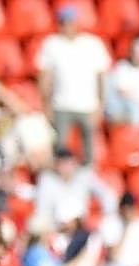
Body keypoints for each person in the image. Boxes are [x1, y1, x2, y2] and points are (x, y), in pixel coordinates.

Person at [37, 4, 112, 166]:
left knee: (89, 151)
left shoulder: (92, 44)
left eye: (70, 22)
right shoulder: (52, 44)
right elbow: (45, 77)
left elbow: (101, 77)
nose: (67, 26)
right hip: (61, 105)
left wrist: (100, 105)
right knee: (60, 149)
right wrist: (46, 104)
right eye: (64, 22)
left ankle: (87, 176)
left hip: (88, 106)